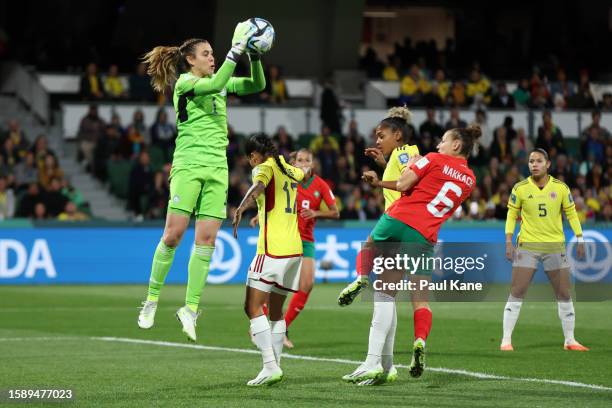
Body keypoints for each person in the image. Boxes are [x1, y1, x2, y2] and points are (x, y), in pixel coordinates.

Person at [136, 22, 266, 343]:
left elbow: (256, 85)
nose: (212, 58)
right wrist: (236, 51)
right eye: (207, 54)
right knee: (174, 234)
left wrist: (255, 55)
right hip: (189, 166)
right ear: (191, 60)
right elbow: (220, 80)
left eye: (214, 53)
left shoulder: (219, 82)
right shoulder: (185, 83)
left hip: (217, 169)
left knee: (206, 241)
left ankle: (190, 308)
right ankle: (152, 299)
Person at [342, 125, 479, 385]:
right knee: (421, 302)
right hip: (425, 236)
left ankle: (361, 279)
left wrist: (407, 167)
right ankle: (417, 342)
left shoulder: (433, 158)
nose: (438, 145)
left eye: (443, 141)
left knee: (377, 272)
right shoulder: (470, 180)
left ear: (456, 145)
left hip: (400, 219)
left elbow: (404, 184)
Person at [232, 134, 304, 386]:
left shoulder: (263, 168)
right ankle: (276, 366)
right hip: (295, 250)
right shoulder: (288, 168)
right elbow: (303, 173)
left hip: (272, 251)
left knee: (251, 307)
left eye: (250, 158)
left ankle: (270, 366)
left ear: (254, 155)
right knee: (275, 311)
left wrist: (241, 207)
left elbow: (259, 186)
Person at [502, 148, 588, 352]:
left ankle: (570, 341)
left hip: (554, 246)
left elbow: (571, 213)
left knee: (564, 293)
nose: (534, 164)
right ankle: (506, 340)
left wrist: (580, 237)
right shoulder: (520, 188)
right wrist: (508, 240)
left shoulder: (560, 188)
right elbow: (512, 215)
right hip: (527, 245)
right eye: (531, 161)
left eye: (539, 161)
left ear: (548, 164)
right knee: (517, 291)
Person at [283, 149, 339, 347]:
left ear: (313, 164)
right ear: (294, 162)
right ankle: (260, 327)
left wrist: (315, 213)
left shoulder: (320, 185)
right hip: (284, 238)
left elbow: (335, 213)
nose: (303, 163)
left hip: (306, 240)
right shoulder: (286, 180)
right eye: (300, 160)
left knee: (307, 284)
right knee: (273, 284)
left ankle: (282, 328)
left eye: (307, 160)